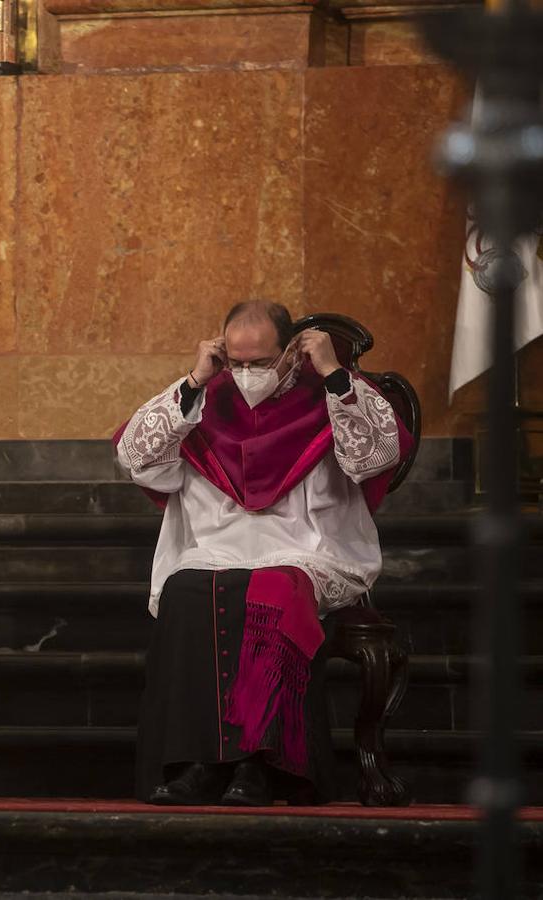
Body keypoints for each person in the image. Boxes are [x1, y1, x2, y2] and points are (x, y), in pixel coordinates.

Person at [114, 300, 412, 806]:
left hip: (306, 549)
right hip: (216, 548)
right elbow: (136, 457)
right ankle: (198, 765)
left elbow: (374, 456)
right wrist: (193, 380)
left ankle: (261, 767)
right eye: (237, 361)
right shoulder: (207, 398)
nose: (248, 373)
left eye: (261, 361)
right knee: (186, 591)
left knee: (272, 589)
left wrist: (335, 373)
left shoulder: (327, 395)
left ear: (291, 350)